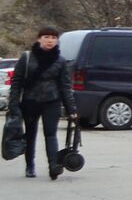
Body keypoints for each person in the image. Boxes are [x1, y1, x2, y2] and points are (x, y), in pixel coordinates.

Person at [9, 25, 79, 179]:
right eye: (46, 37)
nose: (50, 40)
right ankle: (30, 166)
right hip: (30, 101)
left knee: (50, 134)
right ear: (39, 39)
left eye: (53, 38)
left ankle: (53, 166)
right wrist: (13, 104)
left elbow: (65, 87)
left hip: (51, 101)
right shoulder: (27, 58)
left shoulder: (60, 61)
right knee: (30, 134)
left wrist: (71, 109)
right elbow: (17, 82)